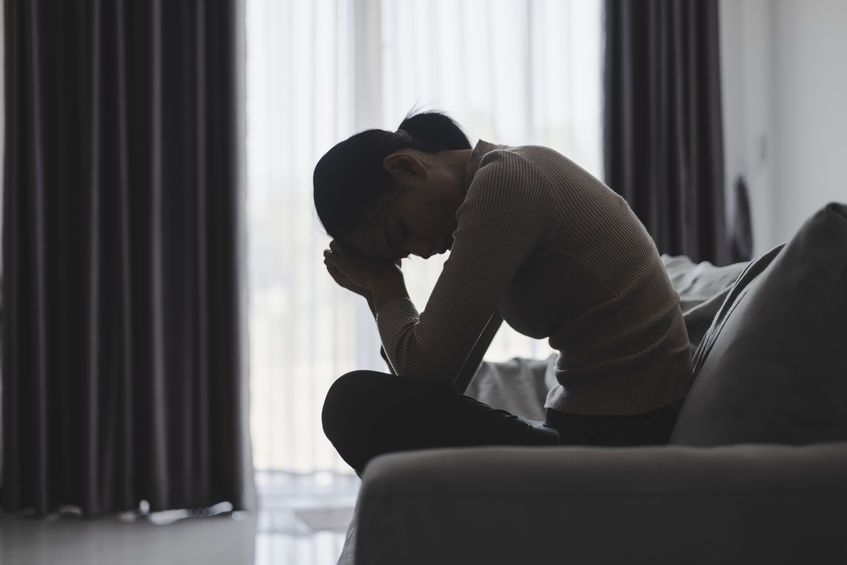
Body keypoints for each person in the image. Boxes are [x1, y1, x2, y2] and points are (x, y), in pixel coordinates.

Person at [313, 110, 692, 476]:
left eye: (400, 233)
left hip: (625, 438)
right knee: (369, 410)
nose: (423, 251)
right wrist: (376, 294)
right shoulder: (504, 180)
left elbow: (423, 371)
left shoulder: (505, 184)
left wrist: (383, 285)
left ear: (406, 167)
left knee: (351, 405)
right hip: (610, 429)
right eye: (403, 253)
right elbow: (439, 383)